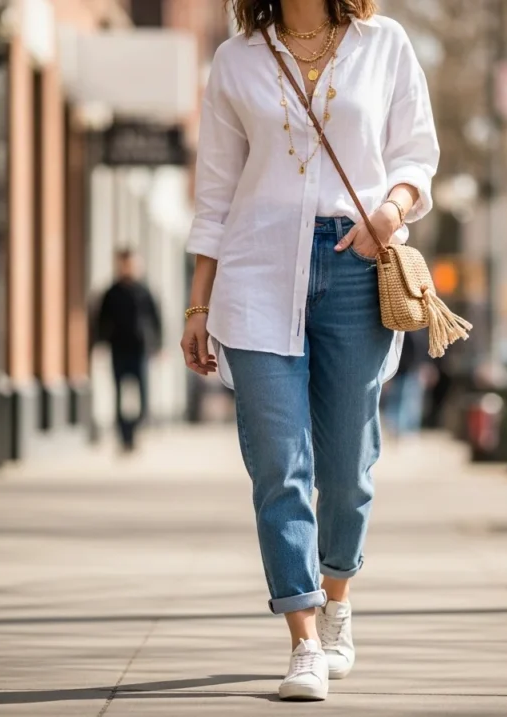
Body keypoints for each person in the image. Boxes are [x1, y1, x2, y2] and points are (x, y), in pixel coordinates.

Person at [179, 0, 438, 701]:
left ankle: (338, 593)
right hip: (256, 271)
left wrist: (390, 211)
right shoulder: (236, 59)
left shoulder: (384, 44)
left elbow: (416, 150)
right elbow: (216, 190)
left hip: (357, 265)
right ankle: (303, 638)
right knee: (278, 463)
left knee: (349, 468)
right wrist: (199, 302)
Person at [97, 250, 162, 452]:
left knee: (143, 400)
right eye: (125, 264)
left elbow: (156, 319)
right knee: (118, 396)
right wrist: (100, 342)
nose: (128, 268)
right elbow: (100, 320)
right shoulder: (111, 292)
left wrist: (158, 346)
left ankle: (134, 430)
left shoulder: (144, 291)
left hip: (140, 350)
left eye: (132, 264)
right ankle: (124, 438)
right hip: (118, 350)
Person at [382, 328, 429, 437]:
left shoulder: (419, 333)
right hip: (399, 373)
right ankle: (396, 430)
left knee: (411, 404)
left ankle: (405, 431)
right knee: (397, 402)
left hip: (412, 373)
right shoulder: (402, 333)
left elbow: (422, 353)